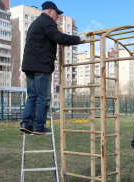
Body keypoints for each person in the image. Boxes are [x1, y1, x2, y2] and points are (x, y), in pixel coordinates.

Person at [20, 1, 87, 135]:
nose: (58, 17)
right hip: (41, 66)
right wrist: (78, 39)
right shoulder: (47, 22)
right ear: (50, 11)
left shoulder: (35, 23)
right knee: (43, 97)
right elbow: (59, 37)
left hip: (29, 65)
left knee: (32, 96)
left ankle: (26, 123)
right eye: (57, 14)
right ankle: (39, 126)